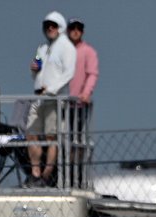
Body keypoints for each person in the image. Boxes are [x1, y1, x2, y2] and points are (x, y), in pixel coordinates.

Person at [25, 11, 76, 188]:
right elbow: (35, 69)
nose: (49, 29)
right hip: (38, 96)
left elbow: (69, 73)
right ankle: (35, 173)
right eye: (47, 26)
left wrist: (52, 90)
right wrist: (33, 68)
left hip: (54, 98)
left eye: (53, 25)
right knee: (31, 133)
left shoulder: (66, 47)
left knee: (51, 136)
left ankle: (47, 174)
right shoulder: (42, 48)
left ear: (60, 27)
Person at [66, 18, 98, 187]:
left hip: (78, 106)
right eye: (72, 28)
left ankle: (76, 177)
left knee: (77, 141)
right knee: (62, 140)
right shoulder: (61, 51)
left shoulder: (88, 51)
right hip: (61, 105)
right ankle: (62, 175)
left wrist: (86, 93)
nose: (76, 31)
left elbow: (92, 73)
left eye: (79, 28)